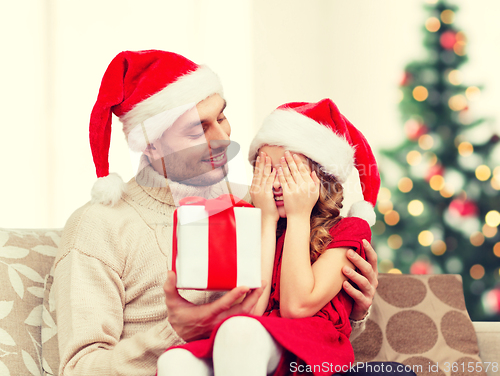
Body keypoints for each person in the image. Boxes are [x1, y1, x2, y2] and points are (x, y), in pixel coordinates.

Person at [53, 50, 378, 376]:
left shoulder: (262, 202)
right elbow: (79, 369)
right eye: (197, 131)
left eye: (222, 117)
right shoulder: (98, 226)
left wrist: (353, 306)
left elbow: (298, 328)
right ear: (150, 144)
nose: (223, 139)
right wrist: (177, 332)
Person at [157, 98, 381, 376]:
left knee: (239, 330)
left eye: (288, 171)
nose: (275, 183)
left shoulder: (349, 230)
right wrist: (265, 219)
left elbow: (296, 307)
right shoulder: (256, 223)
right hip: (253, 342)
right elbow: (253, 308)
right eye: (266, 170)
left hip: (310, 351)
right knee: (175, 361)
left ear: (321, 177)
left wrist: (299, 216)